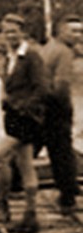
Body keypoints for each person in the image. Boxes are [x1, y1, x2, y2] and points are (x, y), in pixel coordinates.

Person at [0, 13, 46, 233]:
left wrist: (19, 105)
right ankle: (30, 214)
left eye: (14, 32)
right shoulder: (10, 56)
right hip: (14, 117)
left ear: (22, 33)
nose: (10, 36)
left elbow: (42, 88)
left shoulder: (31, 56)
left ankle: (2, 202)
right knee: (25, 165)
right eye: (6, 32)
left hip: (26, 119)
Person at [41, 14, 79, 218]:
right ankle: (68, 197)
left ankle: (69, 189)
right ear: (60, 30)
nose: (78, 35)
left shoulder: (48, 47)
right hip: (56, 107)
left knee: (56, 151)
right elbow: (62, 85)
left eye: (81, 31)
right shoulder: (64, 52)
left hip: (43, 105)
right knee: (62, 151)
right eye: (73, 31)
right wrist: (65, 108)